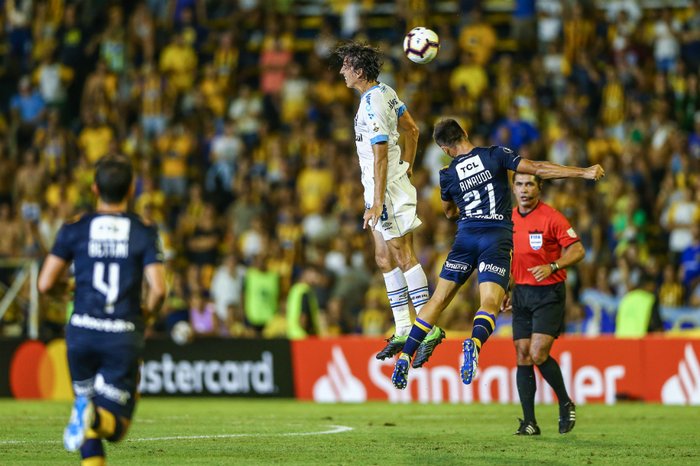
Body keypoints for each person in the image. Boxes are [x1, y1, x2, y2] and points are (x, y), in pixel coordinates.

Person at [391, 119, 604, 391]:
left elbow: (449, 212)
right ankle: (475, 342)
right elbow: (538, 168)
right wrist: (584, 172)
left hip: (466, 237)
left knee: (439, 299)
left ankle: (406, 356)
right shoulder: (496, 155)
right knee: (491, 302)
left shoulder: (447, 174)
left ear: (445, 149)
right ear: (465, 133)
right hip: (497, 237)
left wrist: (465, 203)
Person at [38, 155, 166, 464]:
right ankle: (92, 416)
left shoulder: (75, 228)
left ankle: (88, 414)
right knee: (116, 428)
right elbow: (159, 289)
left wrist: (65, 290)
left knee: (86, 410)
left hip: (80, 333)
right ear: (131, 189)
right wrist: (146, 315)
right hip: (121, 334)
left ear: (95, 188)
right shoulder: (143, 231)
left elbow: (44, 284)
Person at [335, 42, 443, 368]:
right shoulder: (385, 91)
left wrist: (379, 199)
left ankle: (429, 326)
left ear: (358, 72)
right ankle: (404, 328)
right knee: (383, 258)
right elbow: (412, 129)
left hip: (387, 192)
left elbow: (381, 153)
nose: (341, 71)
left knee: (401, 252)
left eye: (345, 67)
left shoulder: (370, 105)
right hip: (379, 189)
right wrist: (408, 164)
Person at [506, 173, 585, 436]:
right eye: (520, 185)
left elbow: (577, 250)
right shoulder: (509, 218)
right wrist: (506, 288)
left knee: (538, 353)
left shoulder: (552, 217)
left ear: (539, 187)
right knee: (522, 353)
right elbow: (508, 256)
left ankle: (565, 402)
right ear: (514, 188)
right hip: (521, 292)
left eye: (530, 184)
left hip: (548, 292)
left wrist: (553, 265)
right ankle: (529, 422)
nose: (524, 189)